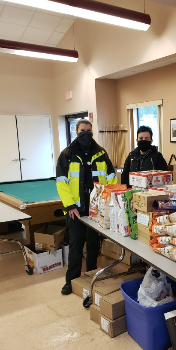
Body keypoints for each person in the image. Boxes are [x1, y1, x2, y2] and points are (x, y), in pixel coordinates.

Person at [56, 119, 117, 295]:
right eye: (83, 130)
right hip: (76, 210)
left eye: (89, 131)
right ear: (77, 132)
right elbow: (61, 183)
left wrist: (106, 201)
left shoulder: (101, 153)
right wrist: (70, 205)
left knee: (93, 244)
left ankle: (92, 275)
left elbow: (112, 177)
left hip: (96, 210)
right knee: (76, 245)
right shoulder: (67, 154)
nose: (86, 134)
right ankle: (71, 280)